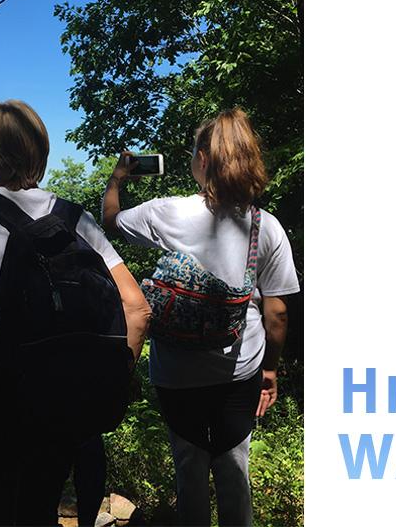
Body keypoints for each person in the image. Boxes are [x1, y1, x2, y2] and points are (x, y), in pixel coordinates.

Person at [0, 100, 150, 526]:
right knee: (37, 512)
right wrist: (108, 381)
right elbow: (137, 308)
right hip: (60, 413)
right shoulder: (77, 220)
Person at [102, 106, 300, 526]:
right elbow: (277, 313)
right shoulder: (266, 226)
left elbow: (111, 222)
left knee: (189, 468)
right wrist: (270, 371)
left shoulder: (165, 212)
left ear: (204, 159)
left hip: (177, 372)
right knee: (234, 468)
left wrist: (119, 179)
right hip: (239, 371)